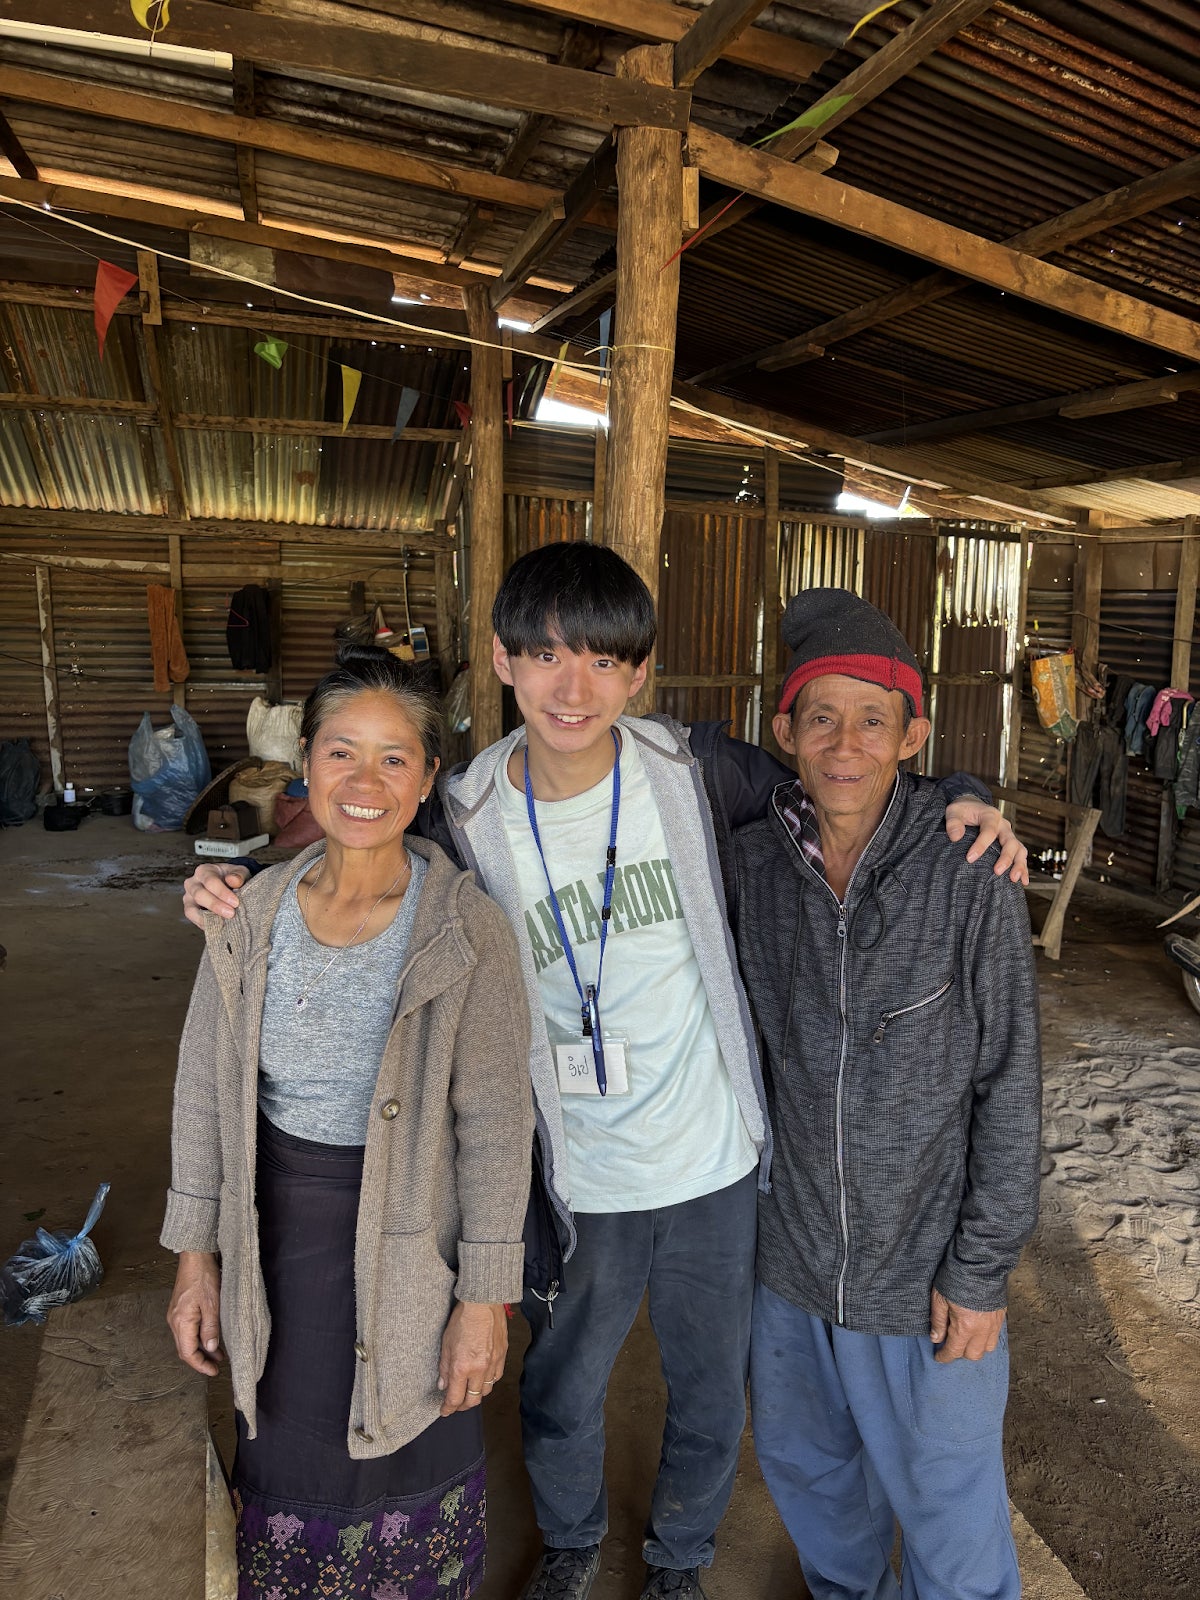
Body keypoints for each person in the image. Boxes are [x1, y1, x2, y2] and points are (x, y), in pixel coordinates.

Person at [182, 543, 1028, 1600]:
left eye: (600, 660)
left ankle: (679, 1558)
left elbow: (851, 769)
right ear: (502, 661)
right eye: (544, 655)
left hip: (714, 1162)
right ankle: (574, 1543)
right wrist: (247, 882)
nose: (571, 687)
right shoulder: (465, 813)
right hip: (573, 1170)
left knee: (711, 1389)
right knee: (563, 1385)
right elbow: (365, 828)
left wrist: (965, 795)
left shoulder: (700, 773)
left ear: (639, 672)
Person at [162, 645, 533, 1600]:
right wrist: (196, 1256)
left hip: (414, 1250)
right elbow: (203, 1089)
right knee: (285, 1469)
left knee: (410, 1452)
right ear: (306, 764)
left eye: (393, 758)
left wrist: (483, 1301)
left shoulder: (466, 929)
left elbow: (498, 1128)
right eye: (341, 753)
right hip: (277, 1244)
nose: (364, 783)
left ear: (428, 778)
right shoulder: (249, 913)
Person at [734, 589, 1042, 1600]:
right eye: (821, 716)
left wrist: (982, 1270)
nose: (845, 743)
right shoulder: (751, 866)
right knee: (815, 1484)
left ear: (913, 736)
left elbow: (1009, 1082)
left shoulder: (968, 872)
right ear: (785, 729)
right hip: (790, 1266)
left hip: (923, 1279)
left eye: (874, 719)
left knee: (953, 1525)